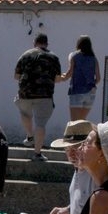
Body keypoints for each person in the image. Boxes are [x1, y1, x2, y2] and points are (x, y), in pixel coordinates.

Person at [48, 120, 98, 214]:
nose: (70, 154)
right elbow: (84, 202)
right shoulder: (79, 169)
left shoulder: (95, 175)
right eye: (67, 149)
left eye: (76, 147)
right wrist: (68, 210)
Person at [14, 33, 62, 162]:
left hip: (25, 92)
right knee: (40, 123)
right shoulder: (53, 57)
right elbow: (57, 78)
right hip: (45, 94)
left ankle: (30, 136)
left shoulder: (25, 55)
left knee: (25, 113)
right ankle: (37, 153)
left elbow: (16, 75)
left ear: (34, 42)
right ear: (47, 43)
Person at [61, 35, 100, 121]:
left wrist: (62, 77)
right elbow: (98, 78)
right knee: (82, 121)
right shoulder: (94, 58)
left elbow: (70, 72)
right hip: (91, 92)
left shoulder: (74, 56)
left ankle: (74, 135)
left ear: (79, 44)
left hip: (77, 91)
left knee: (74, 122)